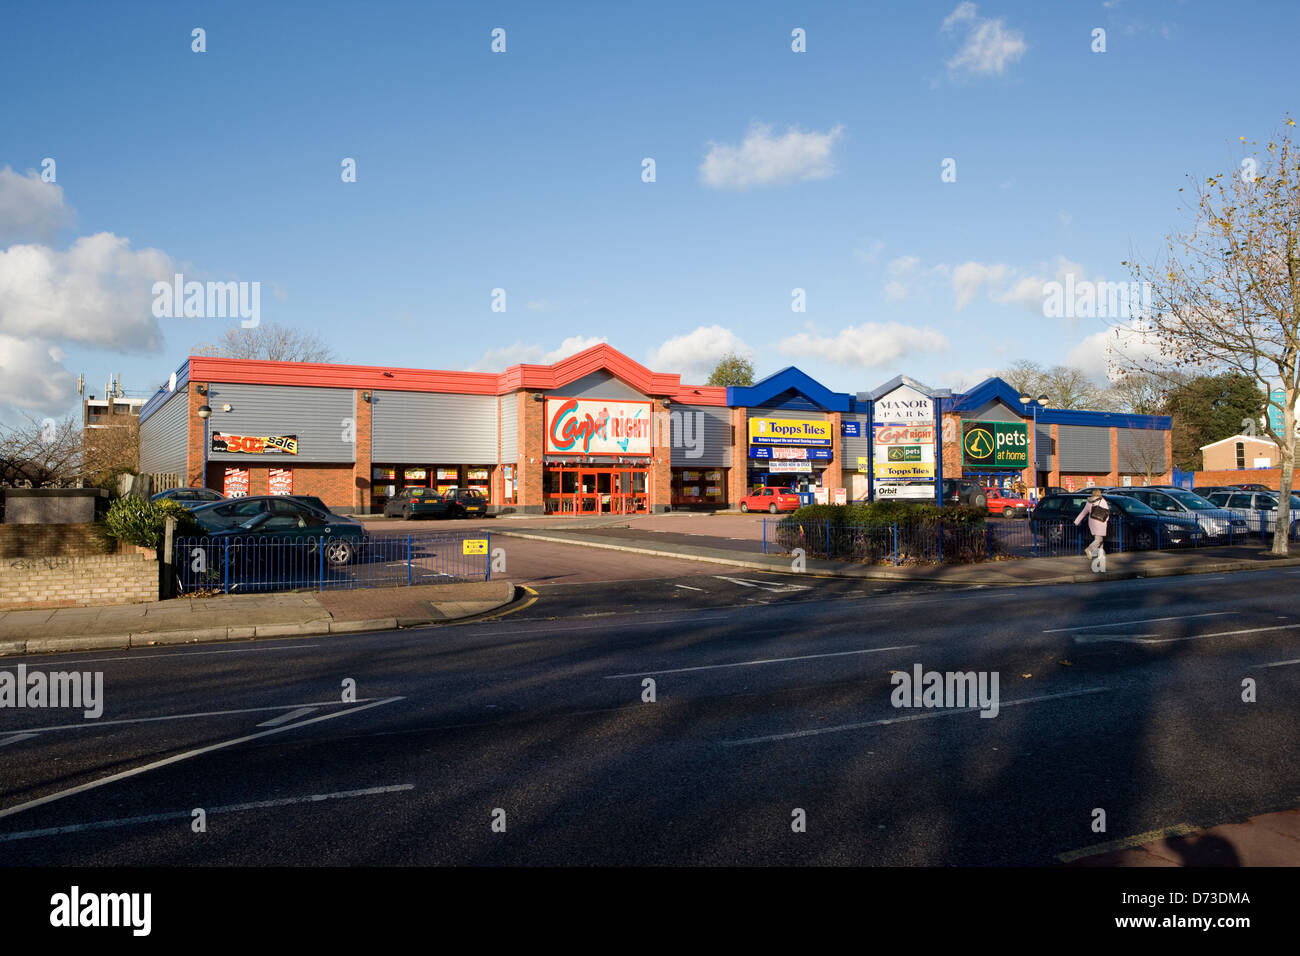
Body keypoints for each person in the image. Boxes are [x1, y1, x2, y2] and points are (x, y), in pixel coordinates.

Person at [1074, 488, 1110, 559]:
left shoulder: (1089, 502)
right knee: (1099, 539)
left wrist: (1077, 521)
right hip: (1101, 522)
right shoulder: (1102, 500)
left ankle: (1100, 555)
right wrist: (1106, 520)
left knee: (1100, 539)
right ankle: (1089, 549)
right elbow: (1107, 512)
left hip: (1092, 522)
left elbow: (1083, 513)